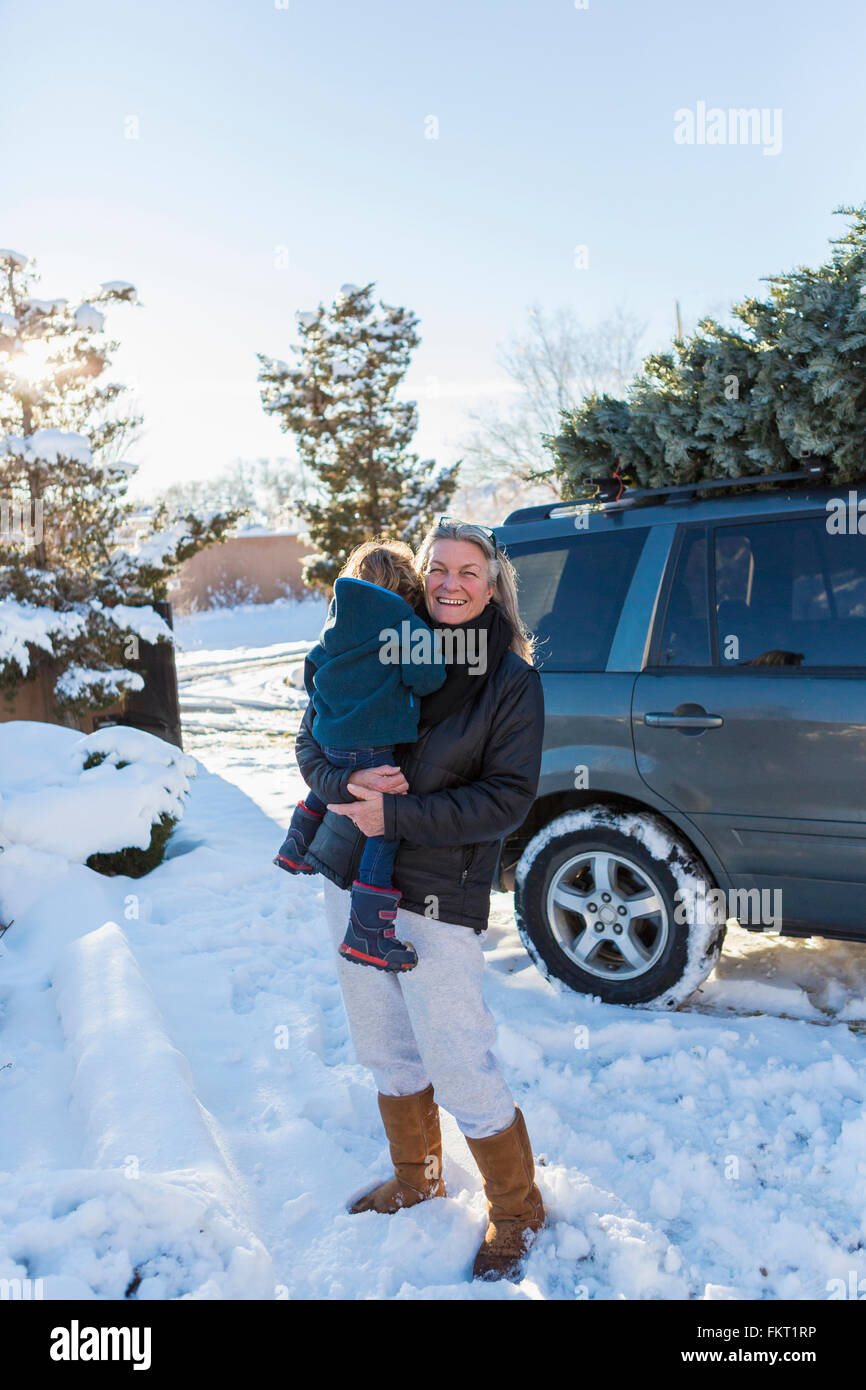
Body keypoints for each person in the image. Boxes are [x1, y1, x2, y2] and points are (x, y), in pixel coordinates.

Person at [294, 518, 548, 1282]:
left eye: (469, 571)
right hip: (350, 876)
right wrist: (345, 787)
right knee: (384, 1045)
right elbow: (313, 741)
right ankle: (418, 1177)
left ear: (494, 582)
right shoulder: (386, 637)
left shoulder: (510, 681)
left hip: (437, 896)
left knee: (459, 1058)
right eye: (438, 567)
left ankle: (518, 1210)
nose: (450, 582)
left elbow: (507, 800)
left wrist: (394, 816)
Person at [274, 539, 446, 970]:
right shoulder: (405, 625)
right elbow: (429, 679)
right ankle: (367, 932)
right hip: (374, 747)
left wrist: (337, 709)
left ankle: (296, 845)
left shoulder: (336, 625)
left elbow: (313, 672)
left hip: (330, 738)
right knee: (383, 829)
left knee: (330, 785)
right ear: (407, 584)